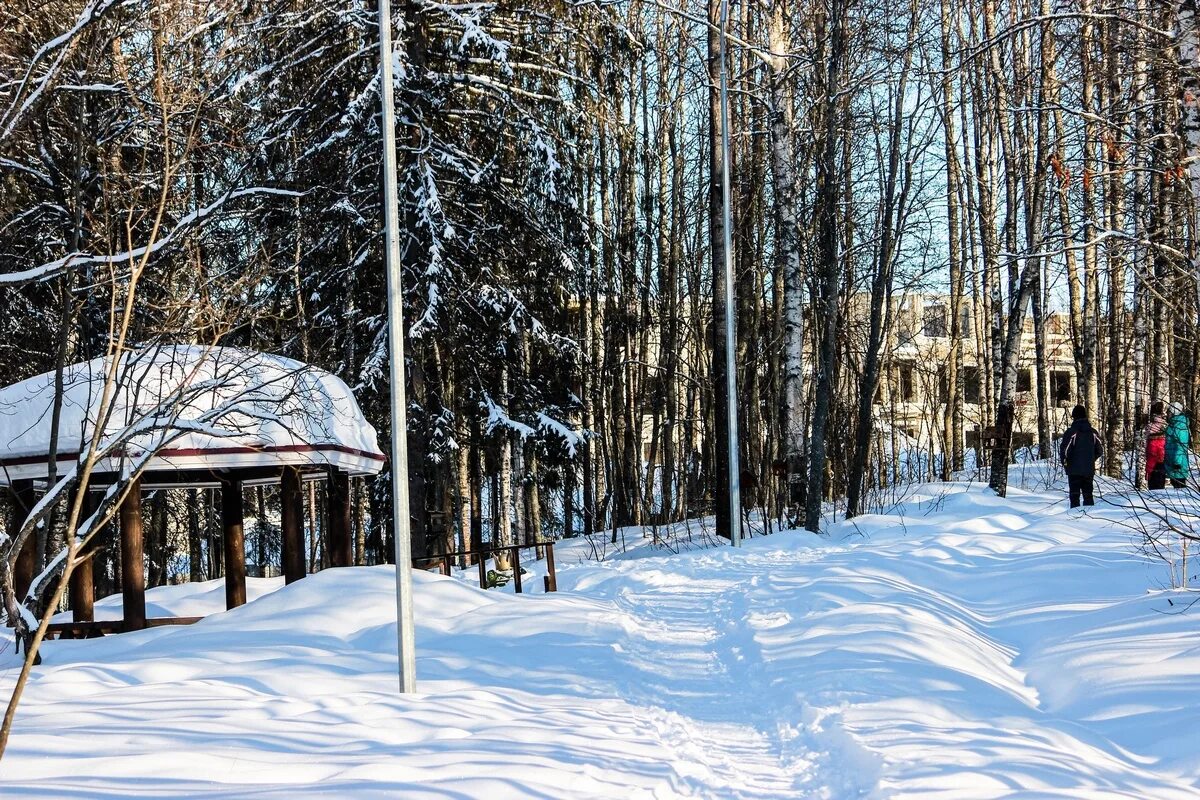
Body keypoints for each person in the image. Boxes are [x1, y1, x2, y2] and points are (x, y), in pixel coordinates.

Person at [1059, 404, 1103, 508]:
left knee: (1074, 497)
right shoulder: (1093, 432)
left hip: (1074, 470)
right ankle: (1088, 519)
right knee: (1088, 496)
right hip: (1088, 469)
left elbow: (1064, 451)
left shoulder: (1071, 432)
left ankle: (1075, 519)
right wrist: (1091, 459)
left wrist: (1066, 463)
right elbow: (1100, 450)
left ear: (1074, 417)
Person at [1164, 401, 1191, 489]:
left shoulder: (1180, 426)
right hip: (1171, 462)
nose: (1167, 414)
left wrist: (1177, 462)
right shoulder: (1173, 425)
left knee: (1180, 488)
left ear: (1174, 412)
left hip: (1177, 465)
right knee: (1176, 487)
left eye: (1169, 412)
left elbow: (1181, 445)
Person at [1146, 400, 1167, 490]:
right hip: (1162, 464)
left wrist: (1148, 471)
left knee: (1154, 489)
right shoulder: (1166, 426)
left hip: (1155, 467)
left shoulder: (1150, 427)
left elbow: (1151, 457)